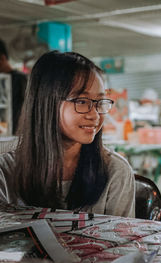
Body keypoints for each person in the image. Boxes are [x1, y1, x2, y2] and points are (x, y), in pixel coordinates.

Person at [0, 51, 135, 217]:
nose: (94, 115)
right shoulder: (5, 172)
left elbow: (124, 240)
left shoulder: (115, 171)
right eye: (82, 101)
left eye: (100, 102)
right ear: (46, 103)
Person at [0, 39, 27, 134]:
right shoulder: (1, 81)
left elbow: (23, 110)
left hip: (18, 134)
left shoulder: (20, 79)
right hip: (5, 133)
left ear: (2, 58)